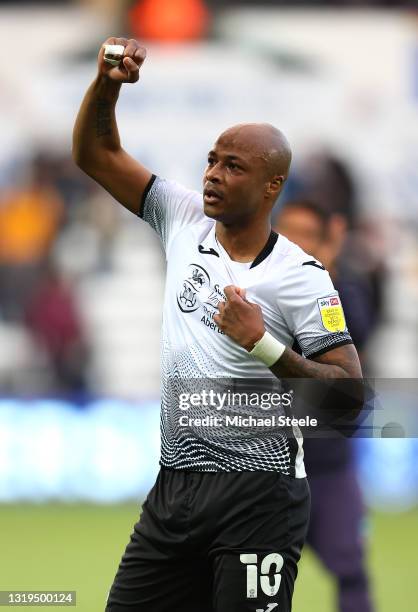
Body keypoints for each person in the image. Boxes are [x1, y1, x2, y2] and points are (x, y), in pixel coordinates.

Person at [73, 37, 362, 612]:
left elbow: (350, 400)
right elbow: (95, 155)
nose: (213, 174)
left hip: (260, 496)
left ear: (272, 186)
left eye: (234, 166)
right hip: (175, 488)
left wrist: (265, 344)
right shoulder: (182, 219)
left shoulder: (301, 277)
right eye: (211, 160)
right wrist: (108, 84)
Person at [275, 199, 375, 612]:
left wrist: (325, 277)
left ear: (325, 242)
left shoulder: (343, 294)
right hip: (270, 467)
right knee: (252, 583)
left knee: (351, 572)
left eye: (306, 235)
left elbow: (357, 335)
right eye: (287, 233)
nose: (295, 243)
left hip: (329, 465)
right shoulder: (254, 293)